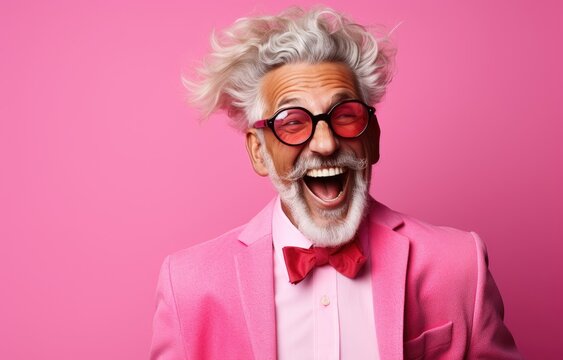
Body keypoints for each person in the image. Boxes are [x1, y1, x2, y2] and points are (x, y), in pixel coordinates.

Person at [150, 7, 521, 360]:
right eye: (292, 121)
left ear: (373, 137)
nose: (325, 144)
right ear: (259, 152)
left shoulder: (459, 266)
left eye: (345, 115)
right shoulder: (189, 287)